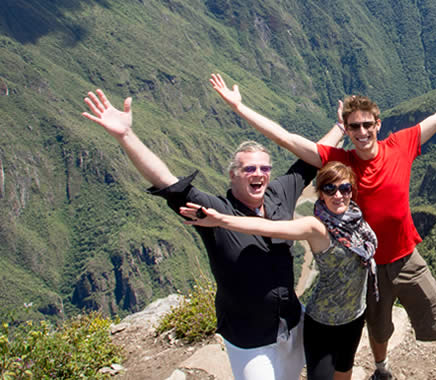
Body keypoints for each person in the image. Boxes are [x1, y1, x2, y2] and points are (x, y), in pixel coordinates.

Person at [210, 68, 436, 380]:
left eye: (368, 124)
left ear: (378, 124)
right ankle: (381, 370)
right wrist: (238, 107)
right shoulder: (341, 161)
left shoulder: (401, 144)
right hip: (365, 267)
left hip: (407, 258)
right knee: (378, 329)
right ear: (348, 130)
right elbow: (286, 138)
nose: (363, 131)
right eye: (355, 127)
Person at [80, 88, 343, 380]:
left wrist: (341, 127)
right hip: (249, 338)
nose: (259, 173)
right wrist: (126, 136)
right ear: (233, 174)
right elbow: (167, 181)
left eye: (264, 168)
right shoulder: (215, 212)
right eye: (249, 169)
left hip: (292, 324)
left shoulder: (279, 193)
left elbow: (311, 158)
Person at [179, 161, 376, 380]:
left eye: (344, 188)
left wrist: (341, 130)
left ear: (352, 190)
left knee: (344, 371)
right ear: (320, 194)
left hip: (355, 315)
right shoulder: (316, 227)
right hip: (324, 322)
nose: (338, 195)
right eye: (330, 189)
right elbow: (269, 227)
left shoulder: (355, 217)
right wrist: (222, 220)